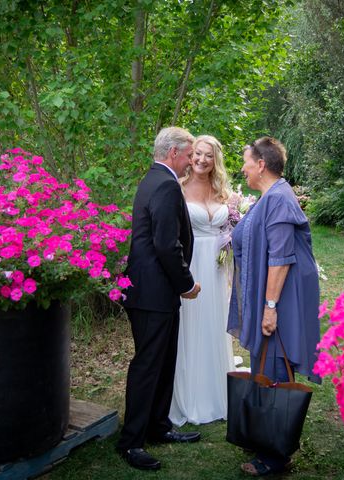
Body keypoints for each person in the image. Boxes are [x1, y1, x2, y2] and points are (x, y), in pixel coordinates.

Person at [227, 136, 320, 477]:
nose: (244, 167)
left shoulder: (279, 198)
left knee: (277, 366)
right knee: (265, 364)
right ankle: (264, 434)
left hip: (280, 299)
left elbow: (280, 259)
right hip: (272, 297)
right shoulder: (270, 196)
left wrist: (269, 307)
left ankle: (275, 455)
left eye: (247, 162)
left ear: (262, 164)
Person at [117, 126, 203, 471]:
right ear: (173, 153)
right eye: (188, 154)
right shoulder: (166, 184)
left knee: (164, 361)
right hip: (154, 292)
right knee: (148, 366)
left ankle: (158, 426)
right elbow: (167, 244)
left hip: (154, 291)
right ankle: (131, 442)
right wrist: (186, 283)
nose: (190, 161)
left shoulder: (153, 179)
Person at [169, 135, 236, 426]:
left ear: (215, 160)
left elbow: (231, 230)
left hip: (218, 267)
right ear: (190, 155)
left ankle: (217, 393)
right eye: (197, 153)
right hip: (192, 263)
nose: (201, 160)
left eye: (208, 155)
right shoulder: (178, 189)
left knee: (215, 325)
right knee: (191, 325)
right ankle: (191, 395)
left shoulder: (225, 194)